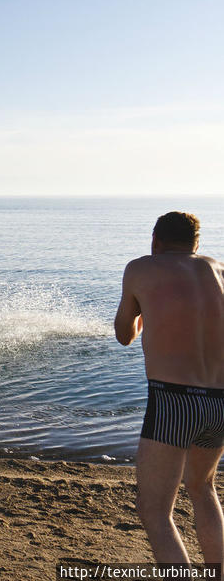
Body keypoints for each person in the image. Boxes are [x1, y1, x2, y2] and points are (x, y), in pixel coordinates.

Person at [115, 212, 224, 570]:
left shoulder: (141, 268)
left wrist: (143, 311)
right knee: (203, 490)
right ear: (196, 244)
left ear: (155, 240)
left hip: (173, 401)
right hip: (219, 402)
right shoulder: (219, 270)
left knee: (155, 511)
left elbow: (124, 335)